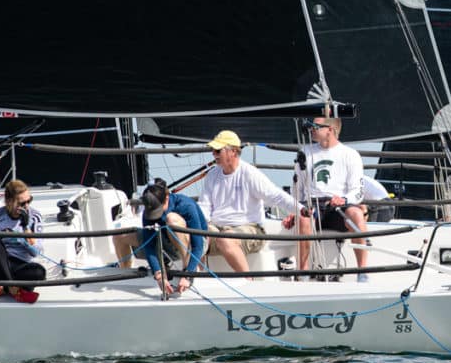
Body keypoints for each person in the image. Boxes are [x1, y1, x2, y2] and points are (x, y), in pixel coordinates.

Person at [197, 130, 303, 274]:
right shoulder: (211, 175)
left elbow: (276, 195)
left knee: (226, 239)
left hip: (251, 229)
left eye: (217, 151)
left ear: (233, 152)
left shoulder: (249, 173)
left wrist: (301, 210)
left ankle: (247, 280)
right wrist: (198, 227)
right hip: (219, 228)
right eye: (213, 151)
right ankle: (194, 277)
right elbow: (204, 207)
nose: (214, 154)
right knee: (194, 232)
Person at [293, 118, 370, 280]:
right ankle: (303, 272)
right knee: (304, 218)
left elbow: (358, 191)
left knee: (357, 214)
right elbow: (298, 189)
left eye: (315, 126)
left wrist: (343, 199)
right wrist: (294, 209)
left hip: (338, 207)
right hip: (313, 205)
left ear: (330, 129)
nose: (311, 129)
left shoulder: (350, 155)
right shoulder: (304, 152)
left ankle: (362, 272)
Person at [114, 179, 207, 294]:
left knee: (171, 219)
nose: (154, 215)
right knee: (119, 235)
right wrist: (158, 274)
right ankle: (126, 277)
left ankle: (187, 269)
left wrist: (188, 275)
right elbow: (149, 244)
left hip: (192, 246)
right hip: (163, 241)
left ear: (167, 198)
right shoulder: (149, 210)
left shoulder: (186, 206)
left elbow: (198, 245)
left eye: (157, 210)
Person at [0, 180, 45, 303]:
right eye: (22, 203)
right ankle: (14, 288)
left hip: (20, 264)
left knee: (39, 272)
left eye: (29, 201)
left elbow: (37, 252)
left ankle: (3, 288)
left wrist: (22, 233)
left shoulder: (35, 216)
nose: (26, 206)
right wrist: (1, 236)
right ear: (9, 202)